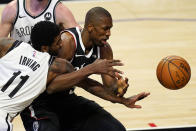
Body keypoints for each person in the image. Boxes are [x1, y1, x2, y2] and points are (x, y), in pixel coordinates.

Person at [20, 7, 150, 131]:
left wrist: (119, 91)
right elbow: (50, 87)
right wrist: (91, 69)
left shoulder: (104, 49)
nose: (109, 34)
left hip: (67, 99)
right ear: (90, 27)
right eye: (105, 29)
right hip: (40, 102)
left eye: (110, 29)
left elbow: (100, 86)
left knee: (115, 128)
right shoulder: (67, 42)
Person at [0, 21, 129, 131]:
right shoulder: (56, 66)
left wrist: (122, 100)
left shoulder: (11, 45)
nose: (61, 44)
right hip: (29, 109)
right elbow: (54, 88)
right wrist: (92, 68)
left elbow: (88, 84)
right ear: (45, 48)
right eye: (57, 42)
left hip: (64, 102)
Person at [0, 0, 79, 42]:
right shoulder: (13, 9)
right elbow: (1, 42)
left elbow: (79, 38)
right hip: (19, 65)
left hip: (47, 67)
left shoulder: (60, 10)